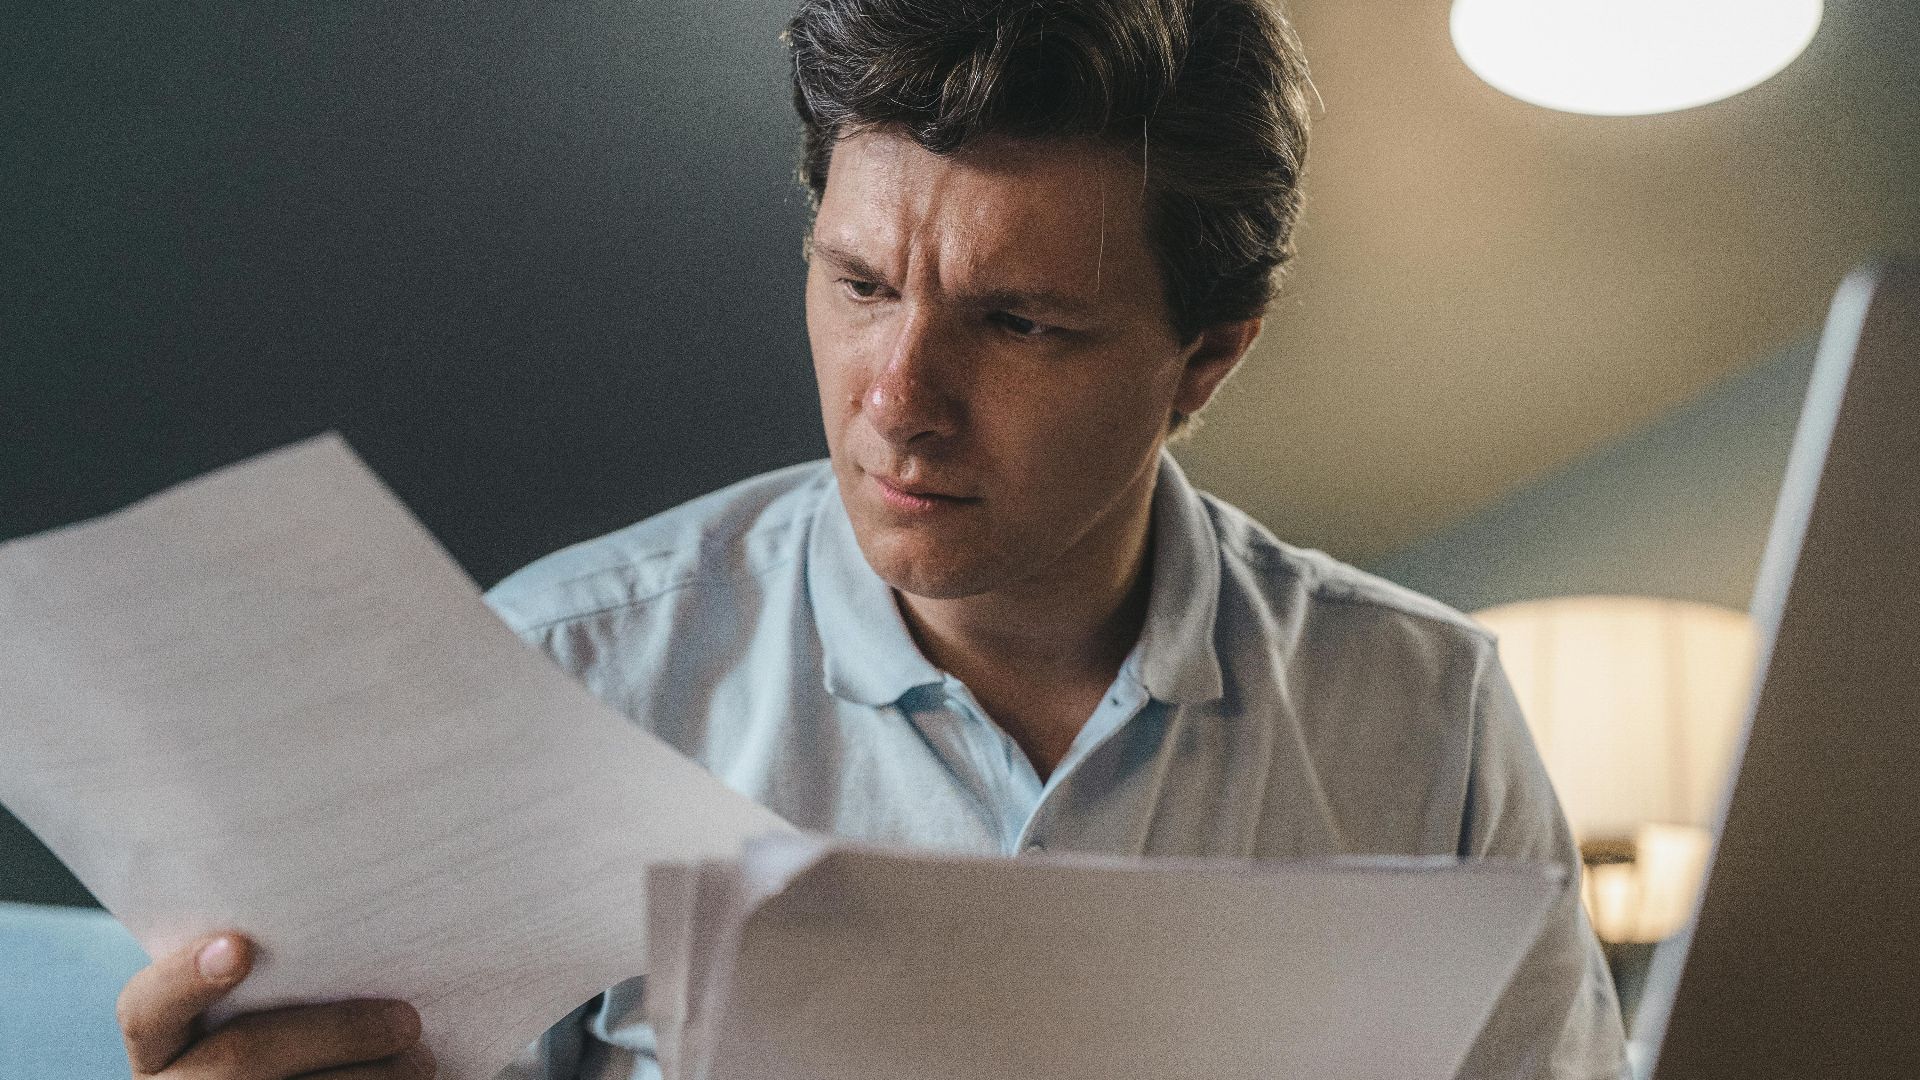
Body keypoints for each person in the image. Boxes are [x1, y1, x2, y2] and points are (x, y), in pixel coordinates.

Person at [114, 0, 1630, 1077]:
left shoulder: (1432, 720)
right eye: (858, 286)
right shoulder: (551, 673)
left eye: (1018, 323)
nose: (899, 403)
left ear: (1207, 361)